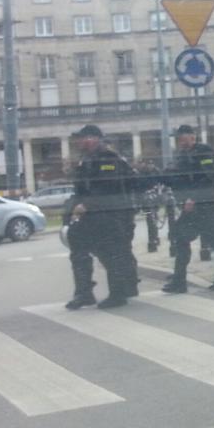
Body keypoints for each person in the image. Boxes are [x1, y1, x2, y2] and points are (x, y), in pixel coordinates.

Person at [65, 124, 137, 310]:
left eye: (84, 138)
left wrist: (86, 205)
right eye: (80, 138)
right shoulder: (85, 160)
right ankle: (84, 293)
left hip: (110, 215)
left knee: (111, 255)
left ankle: (118, 293)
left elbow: (108, 187)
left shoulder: (108, 158)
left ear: (95, 138)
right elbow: (80, 190)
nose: (81, 141)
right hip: (91, 216)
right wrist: (71, 209)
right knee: (78, 252)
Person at [161, 125, 214, 293]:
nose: (182, 142)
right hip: (190, 207)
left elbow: (209, 177)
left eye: (185, 138)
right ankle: (179, 280)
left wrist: (193, 198)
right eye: (180, 139)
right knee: (181, 239)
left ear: (193, 137)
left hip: (205, 204)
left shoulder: (204, 151)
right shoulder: (181, 155)